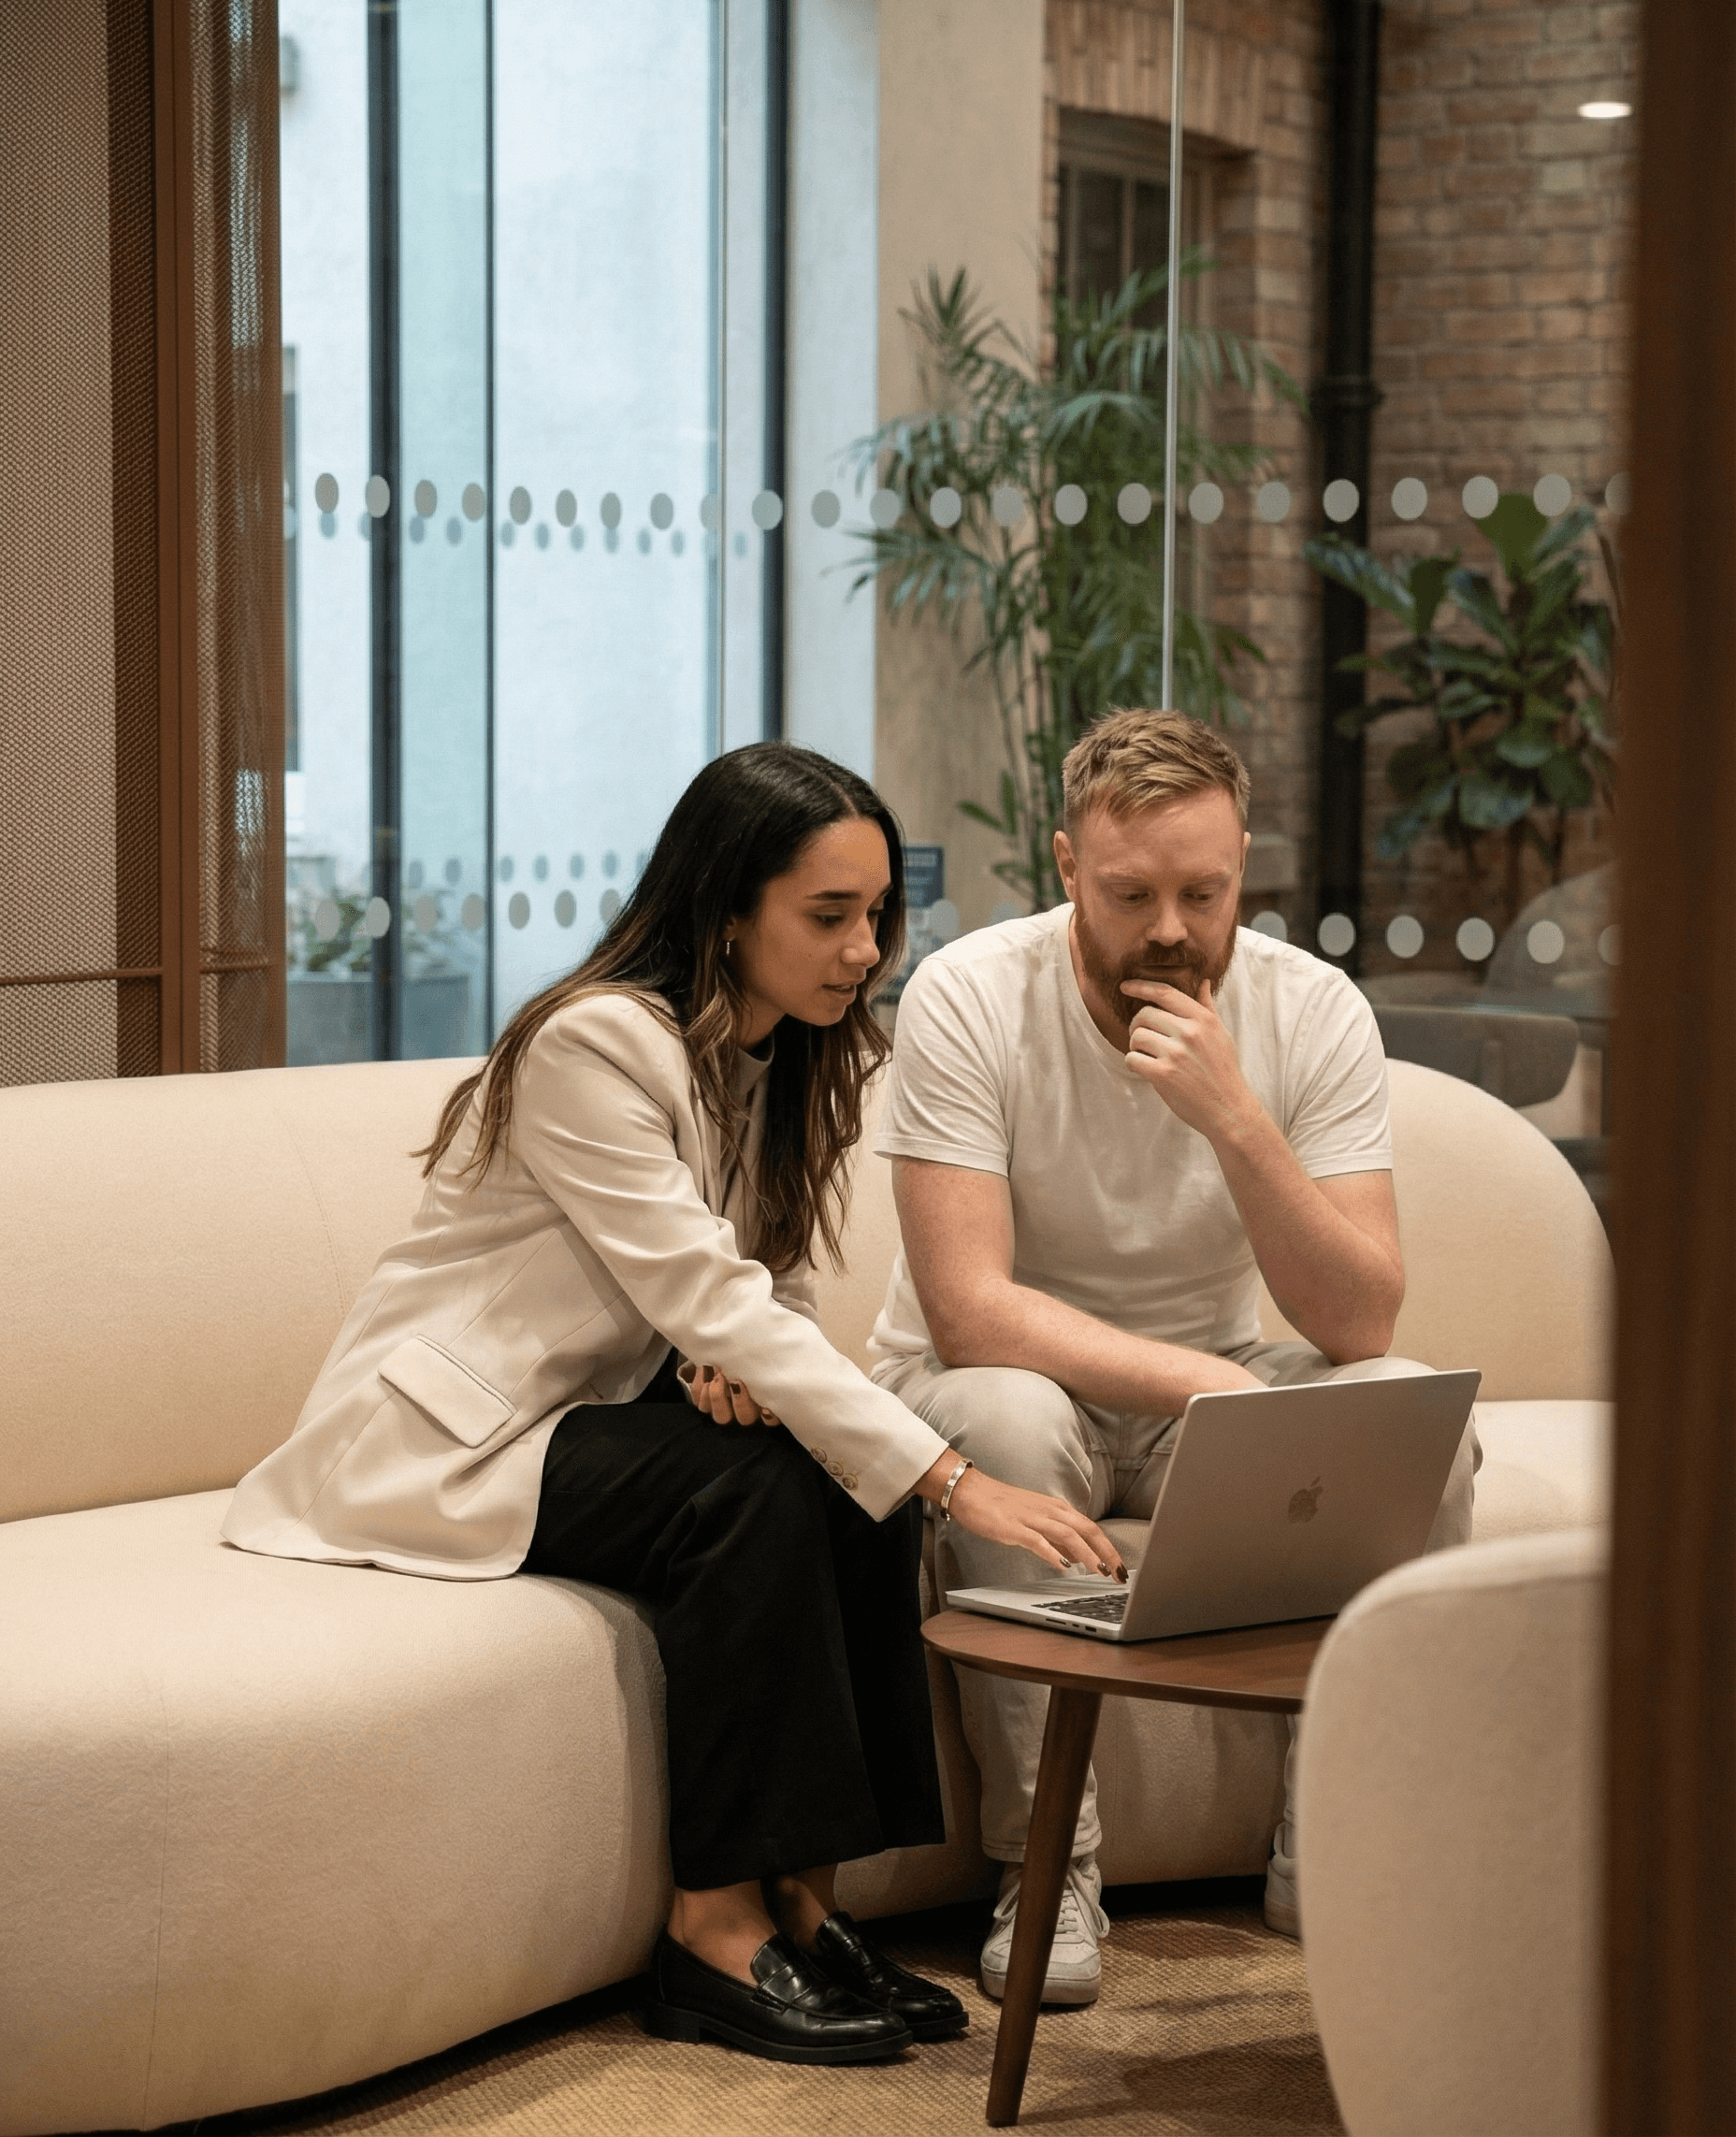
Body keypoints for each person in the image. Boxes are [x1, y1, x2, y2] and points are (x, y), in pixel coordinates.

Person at [223, 744, 1124, 2067]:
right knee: (781, 1478)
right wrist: (951, 1475)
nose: (863, 949)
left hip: (586, 1420)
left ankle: (806, 1904)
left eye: (877, 915)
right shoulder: (596, 1043)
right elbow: (713, 1296)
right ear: (724, 911)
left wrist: (738, 1369)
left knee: (830, 1461)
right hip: (447, 1440)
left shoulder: (779, 1061)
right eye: (828, 916)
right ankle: (711, 1929)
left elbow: (770, 1305)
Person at [869, 709, 1479, 2003]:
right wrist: (1219, 1386)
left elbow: (1359, 1322)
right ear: (1066, 868)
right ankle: (1049, 1866)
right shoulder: (971, 994)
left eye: (1202, 893)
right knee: (1010, 1418)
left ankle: (1331, 1838)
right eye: (1130, 892)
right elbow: (971, 1310)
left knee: (1413, 1416)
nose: (1170, 930)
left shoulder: (1309, 1008)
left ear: (1244, 867)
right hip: (1016, 1393)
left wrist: (1236, 1123)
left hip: (1213, 1384)